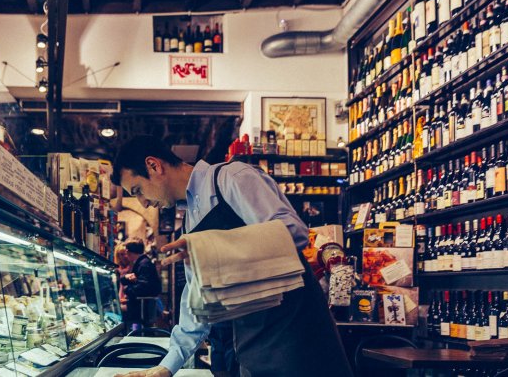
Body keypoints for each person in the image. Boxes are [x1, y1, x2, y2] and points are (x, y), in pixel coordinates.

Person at [111, 135, 352, 377]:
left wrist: (212, 247)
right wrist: (167, 365)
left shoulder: (233, 177)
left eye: (138, 190)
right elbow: (197, 294)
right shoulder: (189, 220)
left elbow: (294, 233)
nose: (142, 202)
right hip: (250, 346)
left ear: (154, 166)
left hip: (295, 337)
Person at [120, 238, 162, 330]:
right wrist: (127, 278)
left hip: (142, 309)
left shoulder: (143, 264)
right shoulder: (143, 262)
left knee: (119, 315)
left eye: (126, 251)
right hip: (142, 308)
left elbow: (143, 287)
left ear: (128, 251)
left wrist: (127, 289)